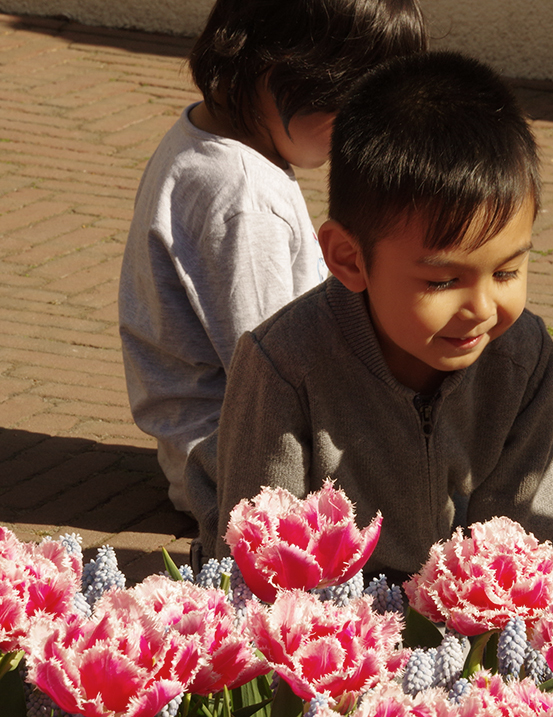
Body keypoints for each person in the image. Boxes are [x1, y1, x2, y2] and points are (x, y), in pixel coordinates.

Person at [184, 50, 553, 630]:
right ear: (348, 259)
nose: (482, 309)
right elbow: (262, 569)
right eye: (442, 280)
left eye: (506, 272)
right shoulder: (283, 365)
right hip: (340, 604)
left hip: (444, 595)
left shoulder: (522, 353)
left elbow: (518, 543)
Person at [118, 0, 427, 513]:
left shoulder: (202, 137)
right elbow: (278, 372)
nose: (357, 135)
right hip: (246, 469)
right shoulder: (246, 199)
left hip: (212, 444)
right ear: (277, 70)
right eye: (349, 108)